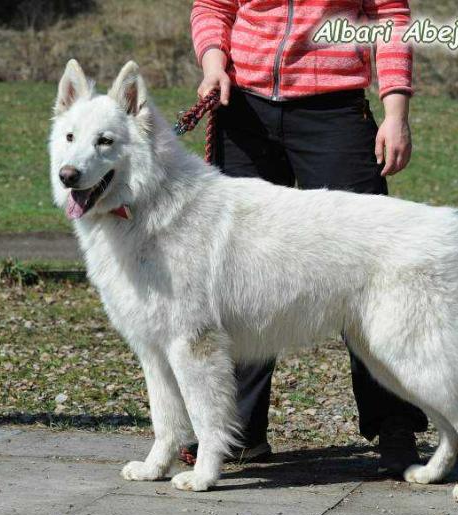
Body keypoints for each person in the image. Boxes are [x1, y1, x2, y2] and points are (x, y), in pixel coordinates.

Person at [181, 0, 428, 475]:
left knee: (369, 266)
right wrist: (214, 65)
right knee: (238, 274)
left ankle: (394, 423)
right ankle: (236, 431)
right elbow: (213, 7)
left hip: (333, 110)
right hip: (244, 107)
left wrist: (395, 110)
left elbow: (391, 18)